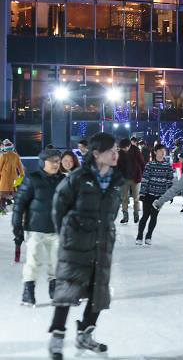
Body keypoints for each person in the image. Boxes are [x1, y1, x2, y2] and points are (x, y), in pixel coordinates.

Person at [47, 132, 123, 359]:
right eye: (112, 150)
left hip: (102, 243)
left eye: (117, 149)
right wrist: (69, 235)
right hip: (76, 244)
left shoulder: (115, 181)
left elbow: (112, 213)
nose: (116, 153)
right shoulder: (78, 178)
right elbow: (58, 208)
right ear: (97, 153)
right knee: (68, 289)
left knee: (99, 291)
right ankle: (57, 337)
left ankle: (85, 335)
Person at [13, 149, 65, 306]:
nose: (56, 164)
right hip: (35, 227)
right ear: (43, 162)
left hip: (56, 228)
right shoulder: (32, 178)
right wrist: (17, 225)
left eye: (57, 161)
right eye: (52, 161)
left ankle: (55, 288)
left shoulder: (63, 180)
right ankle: (28, 291)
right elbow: (20, 203)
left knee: (56, 261)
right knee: (33, 260)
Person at [136, 144, 174, 245]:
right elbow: (144, 180)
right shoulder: (150, 165)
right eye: (161, 151)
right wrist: (142, 194)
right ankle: (139, 235)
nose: (163, 153)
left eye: (164, 151)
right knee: (145, 216)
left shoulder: (168, 166)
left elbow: (170, 181)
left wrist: (169, 194)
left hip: (159, 197)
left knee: (154, 216)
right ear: (155, 152)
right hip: (149, 194)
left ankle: (149, 236)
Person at [116, 138, 145, 224]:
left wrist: (143, 175)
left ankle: (136, 214)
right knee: (124, 198)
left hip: (136, 178)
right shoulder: (120, 152)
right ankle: (125, 216)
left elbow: (142, 163)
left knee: (136, 198)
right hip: (124, 179)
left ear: (129, 146)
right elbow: (117, 165)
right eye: (122, 148)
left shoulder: (136, 151)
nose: (123, 150)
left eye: (125, 148)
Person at [0, 139, 25, 214]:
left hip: (5, 178)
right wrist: (21, 177)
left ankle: (3, 211)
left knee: (3, 195)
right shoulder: (16, 155)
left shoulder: (4, 155)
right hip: (14, 178)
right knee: (14, 194)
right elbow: (21, 168)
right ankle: (17, 209)